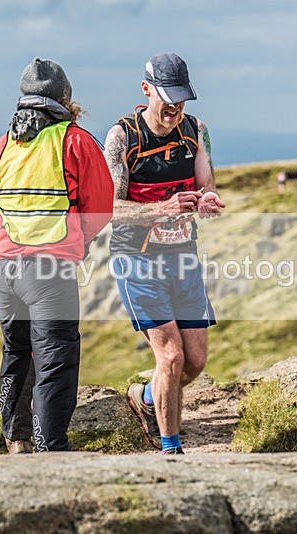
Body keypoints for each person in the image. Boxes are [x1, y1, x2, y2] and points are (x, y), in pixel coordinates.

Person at [0, 58, 114, 452]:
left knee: (16, 351)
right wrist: (78, 239)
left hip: (1, 267)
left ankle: (16, 439)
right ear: (65, 98)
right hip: (49, 271)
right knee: (55, 357)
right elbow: (100, 207)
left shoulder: (6, 141)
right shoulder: (74, 139)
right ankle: (49, 448)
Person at [104, 52, 226, 455]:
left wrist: (207, 201)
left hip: (183, 257)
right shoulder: (123, 136)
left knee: (193, 363)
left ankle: (145, 396)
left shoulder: (196, 130)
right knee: (171, 358)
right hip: (137, 258)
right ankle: (171, 451)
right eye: (167, 97)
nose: (175, 107)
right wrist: (162, 209)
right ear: (145, 90)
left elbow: (207, 182)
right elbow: (107, 208)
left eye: (182, 98)